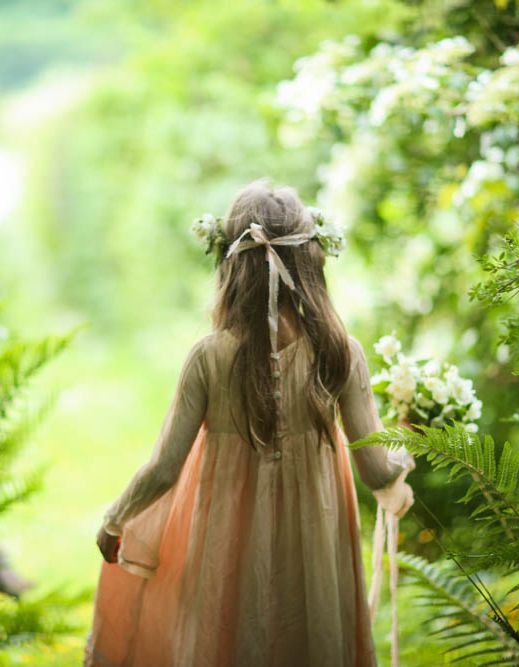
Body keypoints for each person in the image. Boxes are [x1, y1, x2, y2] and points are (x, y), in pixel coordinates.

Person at [84, 179, 416, 667]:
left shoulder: (210, 356)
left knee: (228, 633)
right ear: (310, 258)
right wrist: (404, 448)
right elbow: (374, 471)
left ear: (230, 261)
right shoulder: (339, 351)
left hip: (226, 541)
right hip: (316, 543)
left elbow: (164, 468)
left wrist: (116, 518)